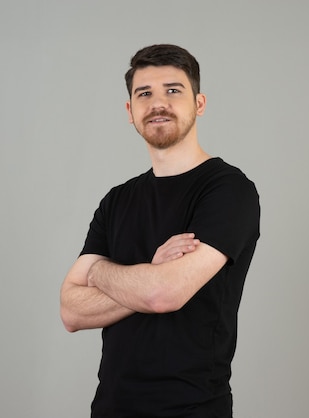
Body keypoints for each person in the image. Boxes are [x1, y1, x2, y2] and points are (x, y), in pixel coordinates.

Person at [60, 44, 260, 418]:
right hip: (110, 408)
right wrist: (151, 273)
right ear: (130, 111)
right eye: (144, 93)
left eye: (173, 90)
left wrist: (100, 273)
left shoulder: (228, 190)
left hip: (192, 408)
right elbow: (71, 311)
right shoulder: (116, 200)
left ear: (199, 103)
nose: (158, 103)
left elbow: (163, 295)